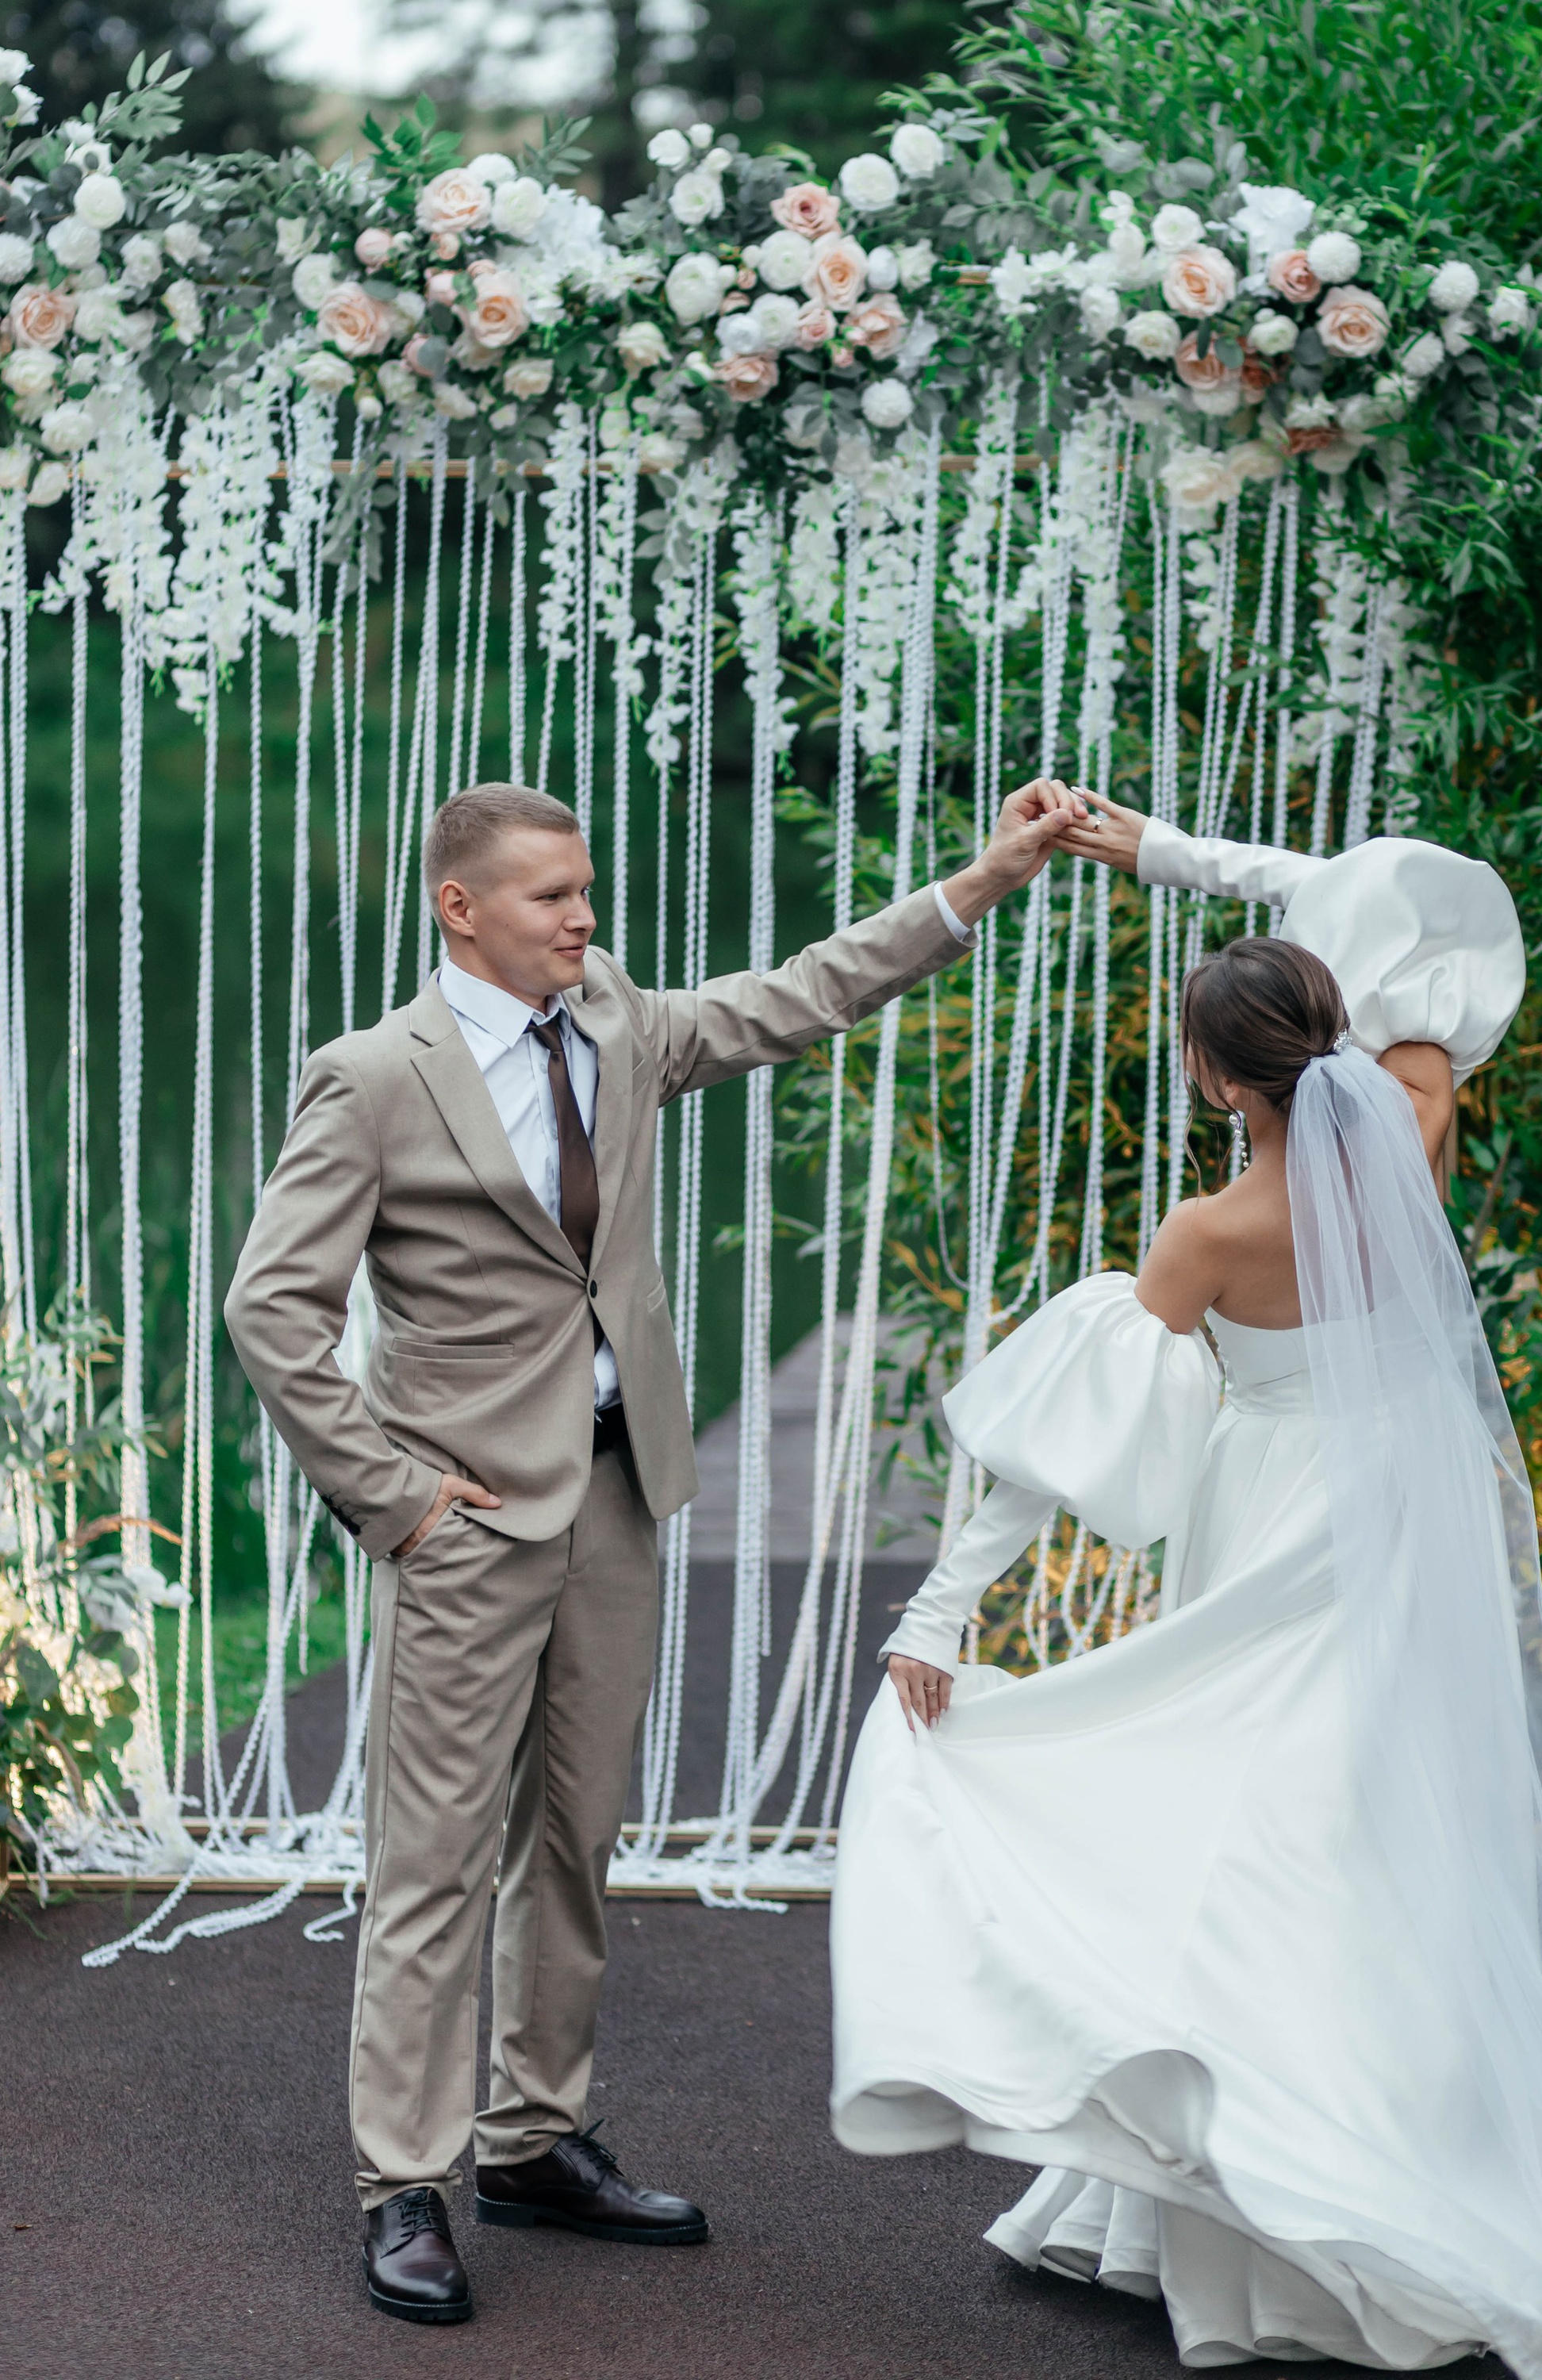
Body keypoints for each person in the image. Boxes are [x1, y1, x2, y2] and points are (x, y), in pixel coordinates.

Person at [830, 811, 1542, 2376]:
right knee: (1367, 1835)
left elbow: (1055, 1449)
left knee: (1239, 1833)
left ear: (1209, 1078)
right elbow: (1409, 889)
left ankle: (1266, 2201)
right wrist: (1179, 853)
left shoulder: (1209, 1232)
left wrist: (938, 1613)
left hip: (1265, 1532)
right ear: (1343, 1025)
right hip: (1401, 1525)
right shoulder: (1419, 1130)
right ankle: (1375, 2174)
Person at [225, 772, 1076, 2326]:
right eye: (551, 895)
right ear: (459, 908)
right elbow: (272, 1312)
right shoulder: (372, 1078)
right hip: (464, 1524)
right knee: (432, 1864)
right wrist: (396, 1498)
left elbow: (797, 997)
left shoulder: (613, 1018)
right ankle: (402, 2182)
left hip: (618, 1501)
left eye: (586, 888)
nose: (584, 916)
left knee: (575, 1837)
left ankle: (530, 2138)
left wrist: (980, 884)